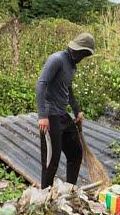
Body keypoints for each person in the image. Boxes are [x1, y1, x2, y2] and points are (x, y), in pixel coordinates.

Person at [35, 32, 95, 189]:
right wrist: (42, 116)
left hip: (62, 113)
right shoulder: (57, 59)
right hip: (50, 115)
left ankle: (68, 191)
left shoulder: (71, 65)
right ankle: (45, 197)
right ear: (74, 49)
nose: (82, 57)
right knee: (51, 161)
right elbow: (41, 84)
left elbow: (67, 88)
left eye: (84, 55)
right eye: (81, 53)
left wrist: (77, 110)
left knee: (76, 153)